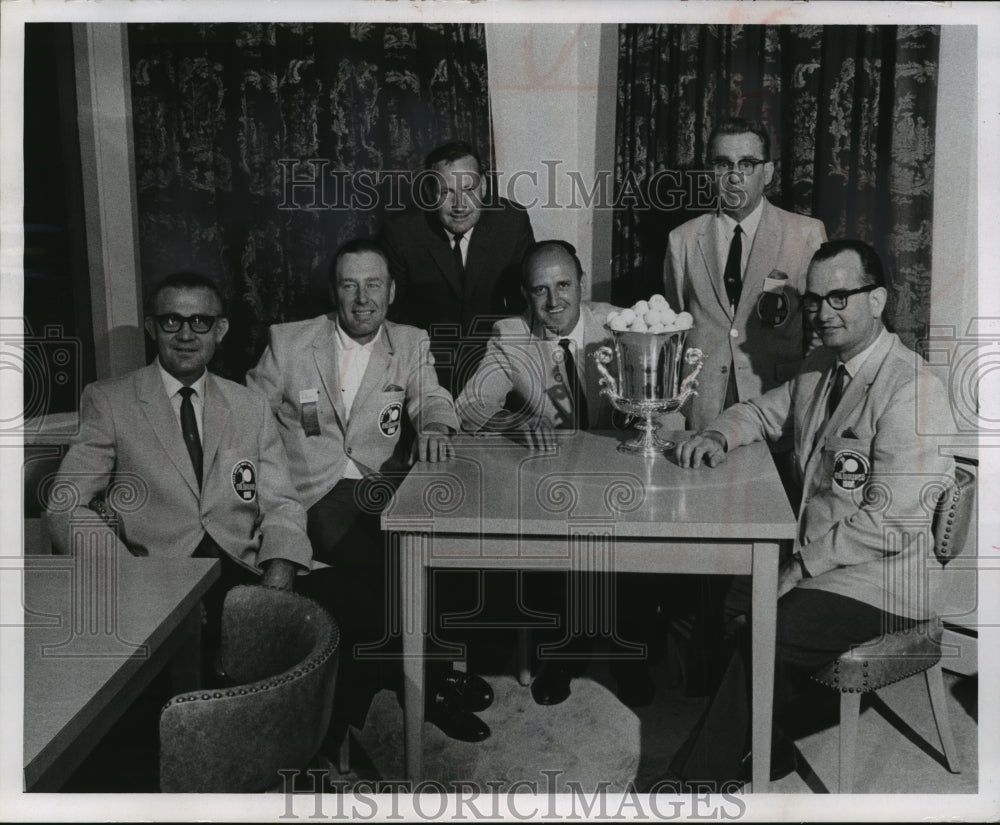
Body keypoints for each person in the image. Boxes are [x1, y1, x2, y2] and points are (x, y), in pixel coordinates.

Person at [669, 240, 955, 785]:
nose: (823, 312)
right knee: (733, 594)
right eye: (815, 299)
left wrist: (798, 567)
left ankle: (696, 782)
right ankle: (766, 746)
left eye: (840, 297)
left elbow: (890, 524)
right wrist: (717, 434)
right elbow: (759, 411)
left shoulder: (913, 390)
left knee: (768, 624)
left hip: (883, 580)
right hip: (830, 562)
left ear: (878, 300)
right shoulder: (822, 365)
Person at [246, 238, 493, 744]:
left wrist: (435, 428)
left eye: (373, 285)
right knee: (400, 562)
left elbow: (432, 396)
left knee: (439, 547)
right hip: (315, 492)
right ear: (334, 292)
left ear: (392, 291)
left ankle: (425, 678)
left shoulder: (410, 341)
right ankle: (428, 686)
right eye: (349, 285)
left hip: (382, 488)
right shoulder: (289, 341)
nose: (362, 299)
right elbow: (246, 419)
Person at [45, 271, 313, 669]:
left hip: (241, 570)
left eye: (200, 322)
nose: (186, 334)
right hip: (157, 577)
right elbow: (64, 507)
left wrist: (279, 570)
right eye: (172, 321)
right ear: (153, 327)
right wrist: (134, 585)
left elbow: (283, 503)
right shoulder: (110, 400)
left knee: (321, 631)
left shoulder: (249, 406)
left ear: (219, 329)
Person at [457, 239, 660, 708]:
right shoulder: (511, 335)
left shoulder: (621, 324)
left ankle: (633, 659)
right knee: (551, 545)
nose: (554, 302)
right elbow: (469, 406)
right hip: (557, 485)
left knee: (641, 550)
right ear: (526, 295)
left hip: (622, 474)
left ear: (582, 283)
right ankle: (564, 655)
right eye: (540, 290)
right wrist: (510, 421)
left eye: (564, 285)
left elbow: (663, 407)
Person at [663, 117, 828, 692]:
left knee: (774, 544)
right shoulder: (683, 240)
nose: (733, 177)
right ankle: (708, 668)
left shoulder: (806, 234)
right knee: (707, 546)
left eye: (746, 164)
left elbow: (820, 334)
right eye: (721, 164)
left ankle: (766, 667)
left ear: (768, 171)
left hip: (777, 414)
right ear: (709, 170)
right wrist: (683, 416)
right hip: (707, 415)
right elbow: (680, 332)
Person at [379, 140, 536, 397]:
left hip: (498, 365)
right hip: (425, 371)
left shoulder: (512, 221)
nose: (460, 204)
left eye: (469, 189)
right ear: (431, 193)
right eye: (446, 192)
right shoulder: (401, 233)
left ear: (483, 186)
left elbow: (526, 306)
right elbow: (392, 321)